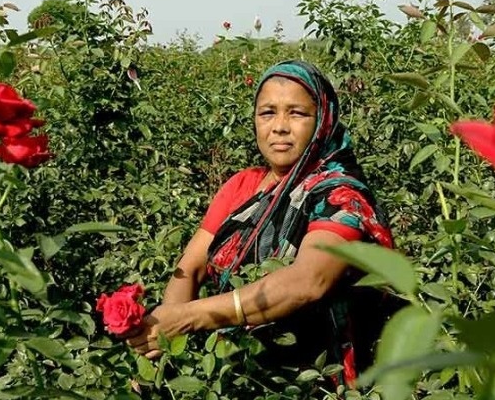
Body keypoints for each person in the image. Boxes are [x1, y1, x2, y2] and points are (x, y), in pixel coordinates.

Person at [126, 60, 394, 387]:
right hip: (235, 372)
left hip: (316, 381)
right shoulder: (241, 187)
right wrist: (162, 344)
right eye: (268, 112)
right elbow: (191, 267)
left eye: (296, 113)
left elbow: (308, 281)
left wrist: (187, 318)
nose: (279, 126)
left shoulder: (340, 196)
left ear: (323, 120)